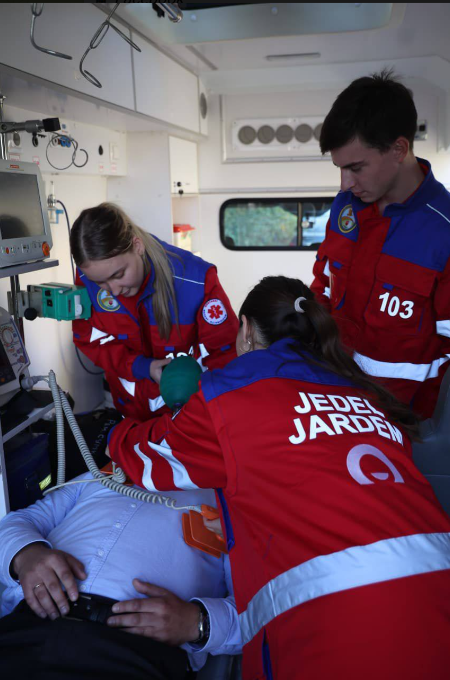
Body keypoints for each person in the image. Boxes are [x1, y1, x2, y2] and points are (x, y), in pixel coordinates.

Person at [107, 276, 450, 680]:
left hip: (344, 626)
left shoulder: (230, 392)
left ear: (246, 330)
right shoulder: (366, 395)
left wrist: (112, 432)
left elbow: (148, 461)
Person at [0, 473, 242, 679]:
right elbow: (18, 521)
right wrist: (25, 554)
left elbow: (257, 613)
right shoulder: (99, 474)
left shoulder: (235, 504)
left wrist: (197, 623)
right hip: (27, 627)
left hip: (133, 652)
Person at [310, 69, 450, 418]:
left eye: (356, 167)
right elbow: (323, 286)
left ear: (399, 149)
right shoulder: (346, 207)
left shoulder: (443, 231)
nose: (344, 184)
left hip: (406, 422)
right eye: (339, 168)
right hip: (336, 403)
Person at [70, 202, 239, 421]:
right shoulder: (88, 277)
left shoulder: (196, 281)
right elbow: (89, 338)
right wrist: (142, 367)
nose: (114, 291)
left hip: (191, 410)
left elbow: (225, 353)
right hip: (130, 410)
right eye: (100, 283)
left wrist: (211, 412)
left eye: (118, 275)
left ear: (137, 246)